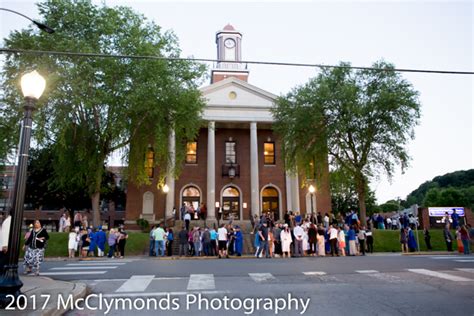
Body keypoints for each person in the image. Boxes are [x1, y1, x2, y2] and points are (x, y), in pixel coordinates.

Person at [0, 210, 12, 276]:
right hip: (4, 246)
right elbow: (5, 233)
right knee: (3, 261)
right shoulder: (8, 221)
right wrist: (5, 245)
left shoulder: (8, 220)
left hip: (3, 245)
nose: (1, 216)